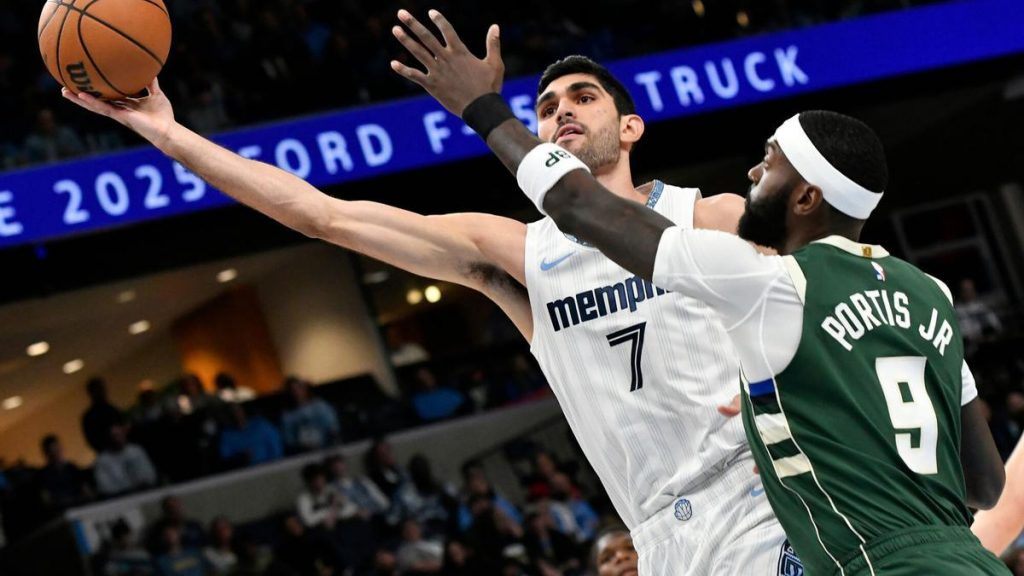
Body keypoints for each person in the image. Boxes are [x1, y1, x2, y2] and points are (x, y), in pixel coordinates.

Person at [61, 33, 787, 576]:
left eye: (582, 98)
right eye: (544, 107)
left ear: (629, 128)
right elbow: (325, 217)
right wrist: (168, 135)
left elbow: (826, 323)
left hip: (766, 497)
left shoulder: (710, 216)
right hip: (660, 534)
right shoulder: (515, 254)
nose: (560, 112)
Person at [386, 10, 1007, 573]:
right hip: (962, 554)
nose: (751, 172)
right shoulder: (927, 293)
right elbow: (983, 484)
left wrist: (483, 110)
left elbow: (582, 208)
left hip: (862, 557)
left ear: (807, 198)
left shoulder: (765, 280)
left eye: (768, 163)